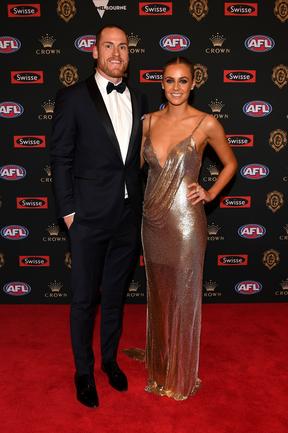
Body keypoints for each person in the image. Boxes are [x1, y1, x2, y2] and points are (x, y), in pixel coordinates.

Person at [50, 25, 146, 408]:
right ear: (94, 51)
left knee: (115, 297)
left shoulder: (138, 99)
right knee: (84, 299)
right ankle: (84, 372)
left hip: (126, 216)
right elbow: (60, 158)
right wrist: (70, 213)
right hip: (87, 217)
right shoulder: (72, 98)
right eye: (109, 46)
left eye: (123, 46)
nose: (116, 53)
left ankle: (109, 361)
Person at [141, 56, 237, 400]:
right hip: (152, 222)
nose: (176, 87)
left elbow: (230, 163)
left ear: (193, 84)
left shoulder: (206, 123)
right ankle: (161, 363)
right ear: (161, 83)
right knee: (159, 295)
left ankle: (180, 375)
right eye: (170, 80)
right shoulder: (148, 122)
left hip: (186, 224)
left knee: (183, 297)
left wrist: (209, 192)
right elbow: (130, 168)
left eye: (183, 81)